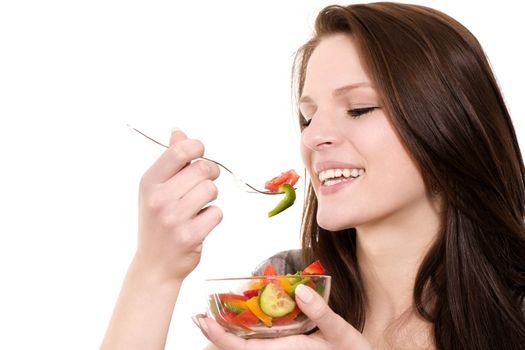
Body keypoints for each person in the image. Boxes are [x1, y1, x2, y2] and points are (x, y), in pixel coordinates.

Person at [101, 2, 525, 349]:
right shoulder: (286, 291)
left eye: (358, 109)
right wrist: (155, 271)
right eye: (307, 117)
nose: (315, 137)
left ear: (451, 125)